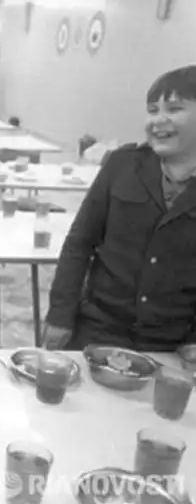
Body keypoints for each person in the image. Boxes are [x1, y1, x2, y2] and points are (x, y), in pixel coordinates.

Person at [44, 65, 196, 352]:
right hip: (99, 328)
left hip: (172, 342)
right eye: (152, 110)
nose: (158, 120)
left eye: (174, 109)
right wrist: (61, 316)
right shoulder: (123, 165)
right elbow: (79, 243)